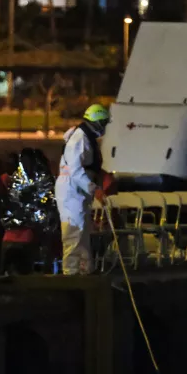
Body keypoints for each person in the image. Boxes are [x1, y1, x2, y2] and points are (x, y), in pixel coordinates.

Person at [55, 103, 109, 276]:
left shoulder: (85, 137)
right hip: (72, 190)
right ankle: (71, 274)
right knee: (74, 233)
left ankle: (85, 272)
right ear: (97, 122)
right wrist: (95, 189)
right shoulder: (80, 138)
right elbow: (76, 171)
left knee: (83, 233)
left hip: (79, 190)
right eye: (104, 123)